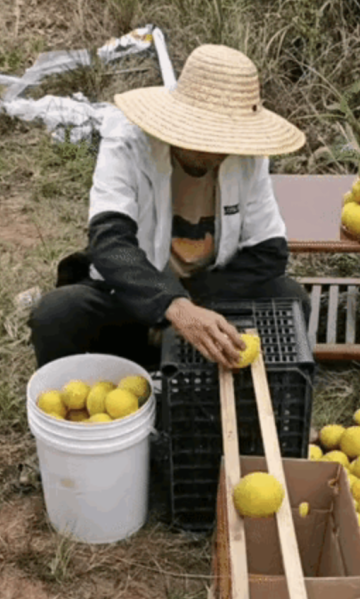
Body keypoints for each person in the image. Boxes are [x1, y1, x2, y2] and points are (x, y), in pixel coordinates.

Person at [28, 43, 310, 373]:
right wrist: (169, 303)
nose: (215, 153)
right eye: (205, 138)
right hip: (135, 292)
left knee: (290, 298)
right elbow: (111, 244)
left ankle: (190, 356)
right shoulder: (128, 143)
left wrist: (193, 304)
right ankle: (144, 357)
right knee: (57, 313)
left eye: (226, 141)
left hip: (209, 293)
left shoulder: (247, 158)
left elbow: (269, 252)